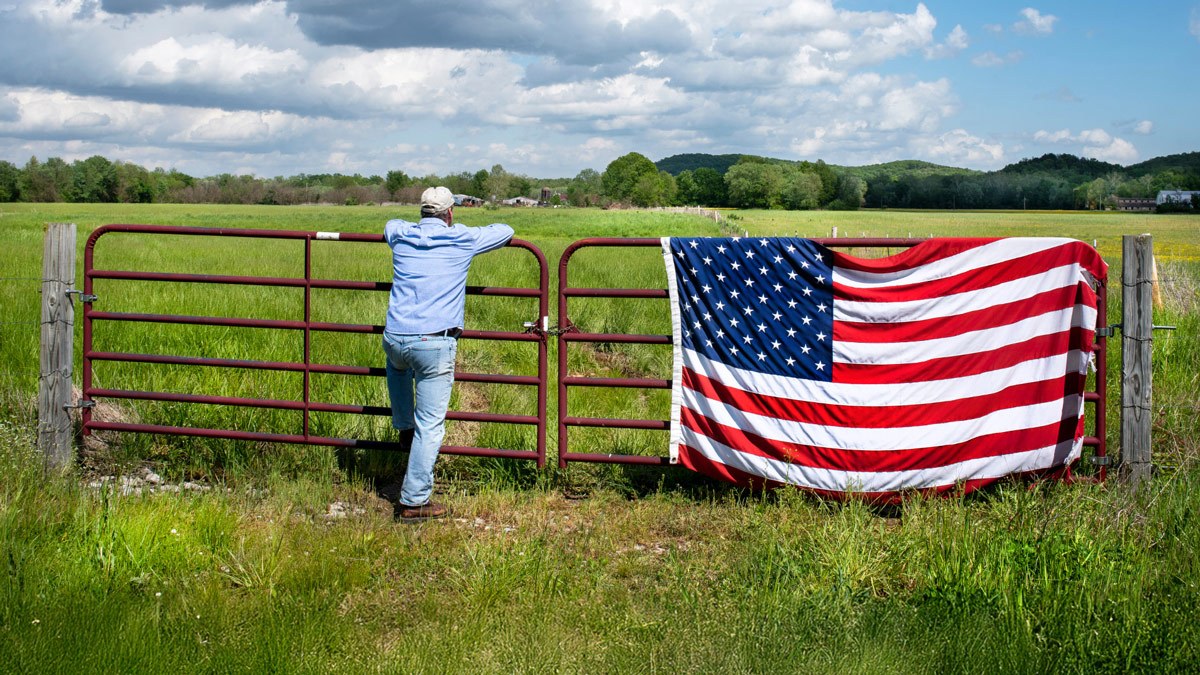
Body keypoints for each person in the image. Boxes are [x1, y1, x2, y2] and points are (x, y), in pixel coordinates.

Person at [382, 186, 514, 520]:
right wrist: (460, 230)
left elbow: (389, 224)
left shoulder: (401, 234)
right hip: (435, 342)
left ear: (422, 211)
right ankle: (414, 500)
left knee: (397, 369)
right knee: (431, 425)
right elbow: (505, 231)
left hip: (396, 335)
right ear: (450, 213)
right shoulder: (462, 239)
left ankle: (402, 424)